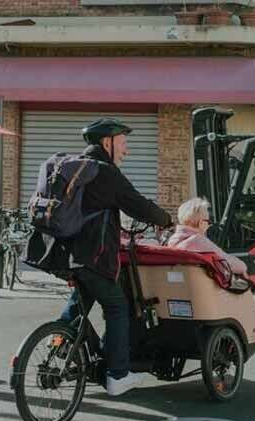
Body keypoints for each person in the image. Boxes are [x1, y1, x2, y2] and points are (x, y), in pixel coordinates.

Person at [57, 118, 173, 397]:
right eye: (122, 143)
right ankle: (118, 375)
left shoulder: (76, 168)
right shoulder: (104, 172)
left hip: (67, 255)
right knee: (117, 306)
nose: (126, 150)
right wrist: (166, 219)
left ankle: (57, 343)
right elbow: (138, 204)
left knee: (81, 302)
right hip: (95, 256)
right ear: (106, 142)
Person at [166, 197, 247, 277]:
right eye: (208, 221)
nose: (209, 225)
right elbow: (232, 264)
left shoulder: (172, 241)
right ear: (201, 223)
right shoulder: (198, 241)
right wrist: (243, 266)